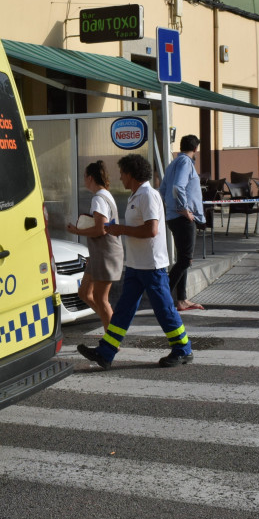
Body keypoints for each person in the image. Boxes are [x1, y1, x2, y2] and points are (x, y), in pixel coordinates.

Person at [77, 154, 193, 369]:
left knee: (164, 310)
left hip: (151, 266)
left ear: (131, 174)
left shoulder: (148, 195)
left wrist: (120, 229)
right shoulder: (135, 196)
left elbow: (152, 230)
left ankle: (183, 349)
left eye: (122, 173)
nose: (120, 177)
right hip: (136, 265)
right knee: (123, 310)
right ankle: (106, 352)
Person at [66, 161, 124, 330]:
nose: (83, 180)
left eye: (84, 176)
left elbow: (101, 229)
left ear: (90, 178)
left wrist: (76, 231)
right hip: (100, 254)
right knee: (84, 293)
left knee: (100, 298)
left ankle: (112, 338)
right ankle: (110, 324)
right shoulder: (105, 194)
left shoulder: (98, 198)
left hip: (106, 254)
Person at [159, 134, 205, 312]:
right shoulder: (186, 163)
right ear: (195, 149)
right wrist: (183, 208)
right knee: (186, 260)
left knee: (182, 259)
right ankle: (162, 299)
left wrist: (170, 206)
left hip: (173, 217)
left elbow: (163, 190)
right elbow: (178, 187)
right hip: (183, 218)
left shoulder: (173, 164)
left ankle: (181, 300)